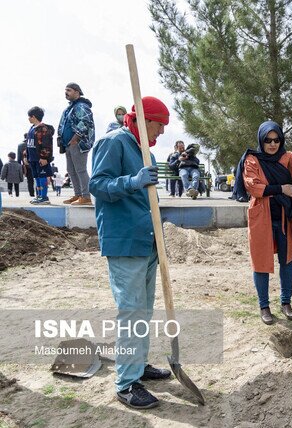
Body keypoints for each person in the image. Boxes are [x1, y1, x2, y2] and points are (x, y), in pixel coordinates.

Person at [89, 96, 172, 410]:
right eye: (159, 124)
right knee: (131, 313)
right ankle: (126, 384)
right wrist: (133, 181)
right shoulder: (114, 143)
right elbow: (98, 185)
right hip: (124, 242)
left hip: (147, 242)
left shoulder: (143, 150)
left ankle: (137, 365)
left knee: (144, 312)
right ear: (144, 119)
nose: (162, 131)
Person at [235, 121, 292, 324]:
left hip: (286, 218)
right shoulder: (252, 160)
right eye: (268, 140)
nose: (272, 144)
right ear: (261, 139)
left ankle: (286, 303)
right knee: (260, 262)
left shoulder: (285, 158)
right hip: (261, 219)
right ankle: (264, 307)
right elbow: (252, 185)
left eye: (277, 140)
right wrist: (280, 189)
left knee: (287, 260)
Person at [57, 82, 95, 205]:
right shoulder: (69, 108)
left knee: (80, 170)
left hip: (78, 143)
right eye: (65, 90)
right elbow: (63, 124)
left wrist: (75, 138)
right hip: (68, 144)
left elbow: (85, 122)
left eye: (69, 90)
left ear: (77, 92)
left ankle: (86, 196)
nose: (66, 92)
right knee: (71, 170)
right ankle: (78, 194)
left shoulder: (81, 106)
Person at [26, 107, 55, 205]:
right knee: (36, 177)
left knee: (42, 176)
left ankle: (44, 197)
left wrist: (44, 157)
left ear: (33, 117)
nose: (28, 119)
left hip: (40, 159)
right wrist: (26, 156)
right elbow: (28, 144)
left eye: (29, 117)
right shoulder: (31, 128)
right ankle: (38, 196)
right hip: (32, 158)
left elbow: (46, 144)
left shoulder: (43, 129)